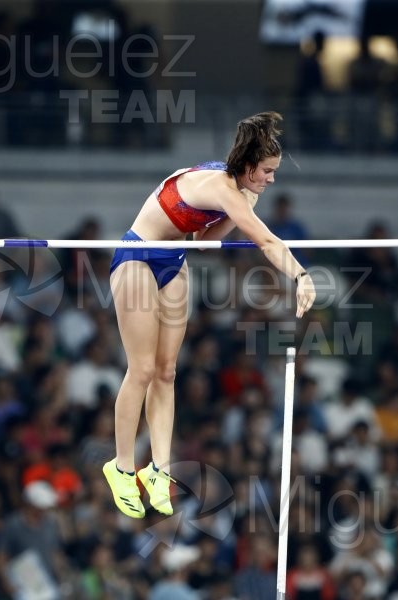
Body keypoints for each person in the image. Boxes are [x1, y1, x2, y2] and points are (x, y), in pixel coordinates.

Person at [102, 112, 317, 519]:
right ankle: (122, 467)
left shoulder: (240, 194)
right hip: (138, 255)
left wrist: (235, 215)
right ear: (250, 166)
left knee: (167, 371)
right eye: (268, 171)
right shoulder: (221, 186)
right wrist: (300, 275)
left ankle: (158, 471)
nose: (272, 179)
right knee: (143, 368)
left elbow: (201, 243)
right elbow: (268, 241)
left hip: (173, 259)